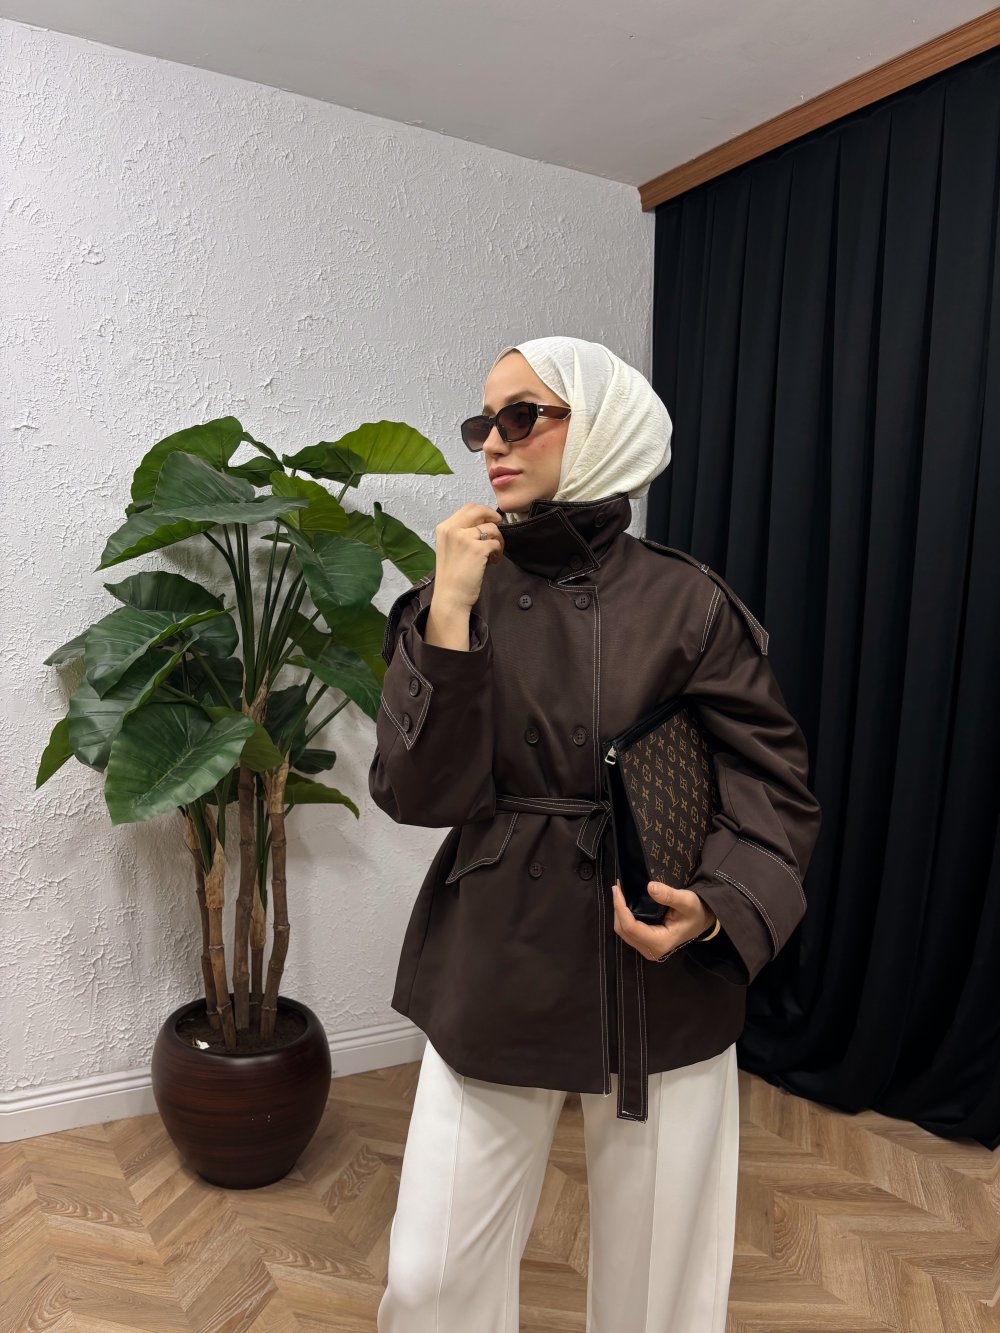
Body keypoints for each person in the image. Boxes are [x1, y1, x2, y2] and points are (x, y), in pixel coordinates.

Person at [369, 336, 823, 1332]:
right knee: (430, 1278)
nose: (493, 442)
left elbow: (771, 782)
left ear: (602, 423)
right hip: (498, 952)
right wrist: (449, 613)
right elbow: (418, 791)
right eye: (483, 422)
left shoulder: (686, 599)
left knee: (661, 1291)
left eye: (521, 415)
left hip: (655, 964)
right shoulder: (453, 594)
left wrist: (716, 907)